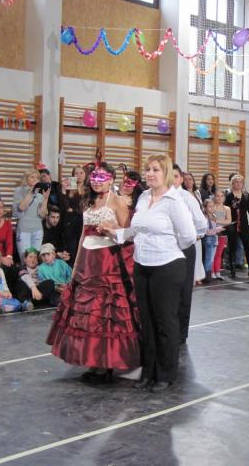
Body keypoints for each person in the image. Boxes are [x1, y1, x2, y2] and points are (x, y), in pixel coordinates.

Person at [101, 155, 197, 392]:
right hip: (142, 265)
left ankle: (165, 374)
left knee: (165, 322)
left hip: (168, 265)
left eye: (156, 169)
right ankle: (149, 371)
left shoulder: (174, 201)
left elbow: (188, 236)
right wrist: (115, 233)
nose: (150, 173)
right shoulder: (144, 197)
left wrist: (166, 247)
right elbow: (136, 230)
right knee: (147, 321)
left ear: (166, 173)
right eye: (148, 169)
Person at [46, 162, 138, 383]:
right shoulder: (88, 201)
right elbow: (82, 236)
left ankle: (106, 363)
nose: (97, 182)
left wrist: (110, 229)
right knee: (87, 313)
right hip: (88, 261)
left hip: (107, 263)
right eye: (94, 177)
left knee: (105, 312)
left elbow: (128, 234)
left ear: (111, 179)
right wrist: (76, 265)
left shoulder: (116, 201)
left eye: (102, 178)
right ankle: (93, 361)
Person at [171, 164, 207, 344]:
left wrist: (190, 236)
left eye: (176, 176)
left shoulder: (187, 198)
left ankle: (180, 333)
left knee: (183, 291)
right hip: (163, 250)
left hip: (183, 247)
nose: (172, 180)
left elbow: (201, 224)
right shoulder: (152, 196)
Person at [224, 174, 249, 279]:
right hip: (233, 224)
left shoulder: (246, 195)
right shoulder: (229, 195)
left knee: (248, 247)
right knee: (232, 248)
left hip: (244, 224)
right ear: (232, 183)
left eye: (240, 182)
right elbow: (224, 209)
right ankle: (233, 271)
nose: (238, 184)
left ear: (243, 184)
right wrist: (222, 223)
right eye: (236, 182)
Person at [12, 169, 49, 262]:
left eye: (37, 178)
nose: (35, 179)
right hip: (24, 230)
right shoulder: (19, 190)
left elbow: (42, 214)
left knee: (35, 260)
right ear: (26, 178)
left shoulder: (39, 195)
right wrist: (31, 192)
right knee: (25, 259)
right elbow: (21, 207)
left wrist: (45, 198)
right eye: (32, 177)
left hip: (38, 230)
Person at [182, 172, 206, 285]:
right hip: (188, 224)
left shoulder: (197, 193)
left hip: (198, 224)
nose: (188, 181)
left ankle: (198, 276)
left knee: (198, 253)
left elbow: (201, 208)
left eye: (190, 179)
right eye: (185, 179)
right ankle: (190, 277)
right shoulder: (182, 194)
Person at [62, 165, 87, 264]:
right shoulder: (70, 185)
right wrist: (63, 191)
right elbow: (66, 206)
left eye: (81, 173)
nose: (79, 175)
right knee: (71, 247)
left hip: (84, 220)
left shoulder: (89, 188)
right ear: (73, 175)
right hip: (71, 220)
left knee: (82, 246)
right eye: (76, 173)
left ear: (85, 175)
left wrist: (75, 210)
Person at [212, 190, 232, 280]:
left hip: (222, 233)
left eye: (221, 196)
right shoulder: (212, 207)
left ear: (224, 198)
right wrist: (222, 221)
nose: (219, 198)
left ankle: (217, 272)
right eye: (217, 196)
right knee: (212, 253)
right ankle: (212, 271)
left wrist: (217, 221)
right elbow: (211, 221)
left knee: (219, 254)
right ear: (214, 197)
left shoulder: (227, 208)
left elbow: (229, 221)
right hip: (213, 233)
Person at [202, 198, 222, 283]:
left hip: (214, 239)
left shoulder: (214, 216)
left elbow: (216, 227)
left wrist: (219, 228)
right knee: (208, 258)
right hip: (208, 239)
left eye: (213, 206)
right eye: (209, 206)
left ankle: (209, 275)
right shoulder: (204, 217)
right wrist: (217, 230)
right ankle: (207, 276)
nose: (211, 208)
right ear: (205, 208)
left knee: (212, 258)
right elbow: (206, 231)